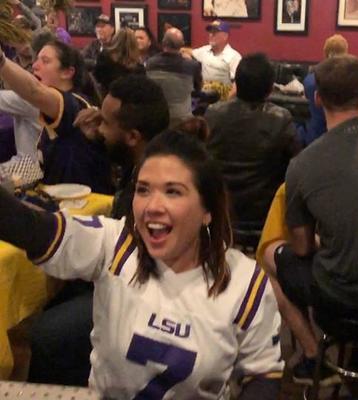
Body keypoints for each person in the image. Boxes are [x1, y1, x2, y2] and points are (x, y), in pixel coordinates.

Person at [0, 129, 284, 399]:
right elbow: (32, 229)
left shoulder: (244, 283)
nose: (152, 206)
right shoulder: (116, 245)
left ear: (207, 211)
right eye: (143, 190)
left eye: (173, 192)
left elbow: (262, 376)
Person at [261, 54, 358, 386]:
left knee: (268, 260)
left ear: (317, 97)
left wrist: (330, 238)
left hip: (339, 303)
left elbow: (303, 247)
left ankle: (312, 355)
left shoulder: (302, 165)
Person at [28, 74, 170, 386]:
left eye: (104, 121)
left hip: (147, 296)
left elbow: (135, 265)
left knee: (46, 334)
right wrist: (100, 139)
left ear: (133, 136)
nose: (97, 125)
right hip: (129, 277)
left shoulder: (155, 189)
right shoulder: (150, 157)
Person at [0, 41, 112, 193]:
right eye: (37, 59)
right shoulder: (66, 104)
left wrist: (2, 61)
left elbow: (33, 90)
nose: (35, 65)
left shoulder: (73, 104)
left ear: (67, 72)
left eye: (45, 61)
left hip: (84, 206)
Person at [206, 53, 299, 229]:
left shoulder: (213, 113)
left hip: (219, 208)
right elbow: (295, 166)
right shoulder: (280, 118)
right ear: (270, 88)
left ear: (237, 84)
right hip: (264, 212)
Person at [146, 28, 202, 128]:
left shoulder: (150, 63)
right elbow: (198, 89)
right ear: (182, 44)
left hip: (156, 117)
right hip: (182, 120)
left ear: (163, 42)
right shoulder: (192, 65)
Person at [302, 34, 348, 146]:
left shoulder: (310, 80)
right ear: (346, 52)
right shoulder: (354, 80)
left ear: (325, 52)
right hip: (345, 138)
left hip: (315, 137)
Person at [191, 20, 241, 100]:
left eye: (215, 33)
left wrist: (225, 101)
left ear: (225, 36)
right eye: (210, 32)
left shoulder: (234, 57)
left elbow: (238, 83)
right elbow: (188, 52)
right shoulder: (204, 51)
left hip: (223, 98)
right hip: (202, 98)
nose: (211, 35)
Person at [93, 27, 145, 99]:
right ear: (134, 43)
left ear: (115, 40)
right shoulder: (139, 67)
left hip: (107, 100)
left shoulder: (104, 57)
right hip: (130, 104)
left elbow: (96, 77)